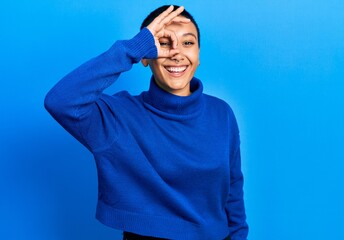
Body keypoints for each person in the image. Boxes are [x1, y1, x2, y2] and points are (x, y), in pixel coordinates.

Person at [44, 5, 248, 240]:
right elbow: (60, 101)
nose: (176, 52)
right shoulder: (118, 117)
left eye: (188, 43)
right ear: (145, 56)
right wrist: (133, 48)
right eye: (164, 42)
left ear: (199, 55)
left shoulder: (221, 113)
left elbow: (233, 190)